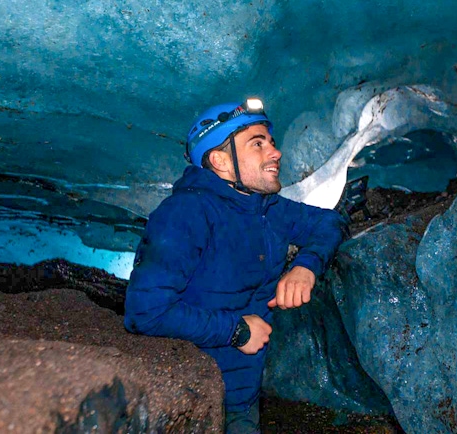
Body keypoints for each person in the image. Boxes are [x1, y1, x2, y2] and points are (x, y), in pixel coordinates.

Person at [123, 98, 347, 433]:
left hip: (243, 399)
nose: (275, 152)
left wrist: (306, 266)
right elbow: (144, 312)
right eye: (258, 144)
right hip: (187, 399)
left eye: (270, 142)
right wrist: (236, 330)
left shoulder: (268, 208)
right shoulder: (184, 215)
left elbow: (331, 222)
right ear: (221, 161)